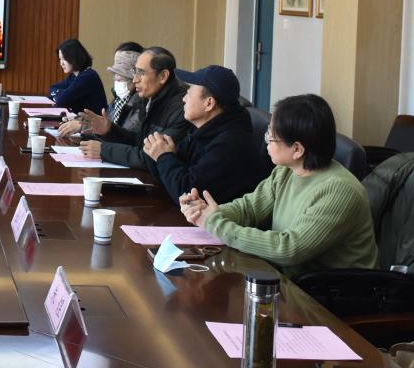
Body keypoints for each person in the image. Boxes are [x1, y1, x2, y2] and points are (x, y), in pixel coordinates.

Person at [181, 93, 375, 278]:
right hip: (291, 280)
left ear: (297, 149)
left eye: (271, 137)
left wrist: (216, 223)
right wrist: (205, 212)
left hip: (332, 292)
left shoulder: (339, 191)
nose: (266, 142)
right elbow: (249, 209)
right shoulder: (287, 171)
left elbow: (289, 249)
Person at [144, 65, 271, 205]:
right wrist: (157, 153)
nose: (184, 99)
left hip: (223, 218)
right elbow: (169, 179)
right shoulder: (204, 130)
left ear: (209, 103)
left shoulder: (230, 143)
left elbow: (188, 194)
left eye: (189, 93)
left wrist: (164, 156)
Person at [77, 46, 189, 169]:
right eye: (135, 71)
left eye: (141, 73)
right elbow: (140, 142)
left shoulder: (182, 108)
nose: (135, 79)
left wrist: (104, 150)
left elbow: (152, 157)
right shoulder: (150, 99)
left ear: (163, 76)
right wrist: (109, 130)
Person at [57, 42, 142, 141]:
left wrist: (82, 126)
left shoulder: (140, 106)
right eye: (115, 73)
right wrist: (80, 120)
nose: (116, 78)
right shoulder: (118, 100)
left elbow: (123, 137)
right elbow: (106, 124)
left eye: (121, 73)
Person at [47, 38, 107, 115]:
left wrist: (58, 94)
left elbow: (61, 100)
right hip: (81, 120)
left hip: (93, 122)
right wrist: (60, 94)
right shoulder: (74, 75)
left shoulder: (88, 76)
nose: (61, 63)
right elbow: (52, 88)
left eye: (64, 59)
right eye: (60, 59)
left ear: (74, 57)